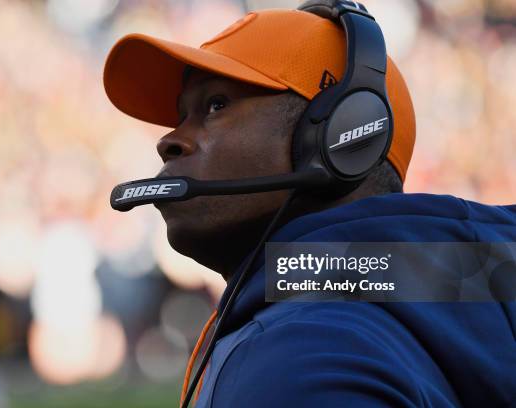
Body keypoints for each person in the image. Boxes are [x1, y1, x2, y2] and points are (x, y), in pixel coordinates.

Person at [103, 5, 516, 408]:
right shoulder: (449, 294)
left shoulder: (299, 355)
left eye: (216, 105)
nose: (168, 140)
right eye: (181, 115)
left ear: (343, 137)